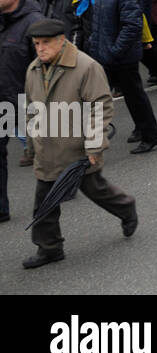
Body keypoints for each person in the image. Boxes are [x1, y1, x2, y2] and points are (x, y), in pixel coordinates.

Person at [21, 18, 138, 269]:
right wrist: (31, 147)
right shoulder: (33, 69)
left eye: (46, 43)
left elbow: (100, 107)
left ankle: (126, 208)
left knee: (96, 189)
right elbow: (31, 109)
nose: (40, 48)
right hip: (47, 150)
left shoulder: (86, 67)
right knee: (44, 201)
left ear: (61, 41)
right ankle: (49, 247)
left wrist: (94, 146)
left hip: (78, 149)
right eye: (36, 43)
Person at [83, 0, 157, 154]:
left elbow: (132, 27)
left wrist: (114, 50)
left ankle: (151, 136)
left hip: (121, 57)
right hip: (108, 55)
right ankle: (141, 130)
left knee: (135, 97)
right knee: (121, 96)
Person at [0, 0, 43, 224]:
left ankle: (73, 182)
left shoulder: (34, 22)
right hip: (3, 102)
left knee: (50, 152)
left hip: (30, 102)